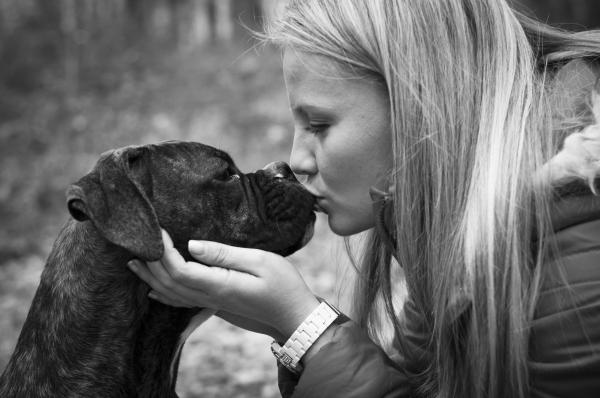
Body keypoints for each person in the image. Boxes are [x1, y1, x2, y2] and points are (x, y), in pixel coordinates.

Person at [126, 1, 600, 397]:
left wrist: (306, 329)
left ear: (419, 102)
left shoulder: (576, 266)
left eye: (319, 125)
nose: (297, 161)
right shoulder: (468, 228)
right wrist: (291, 330)